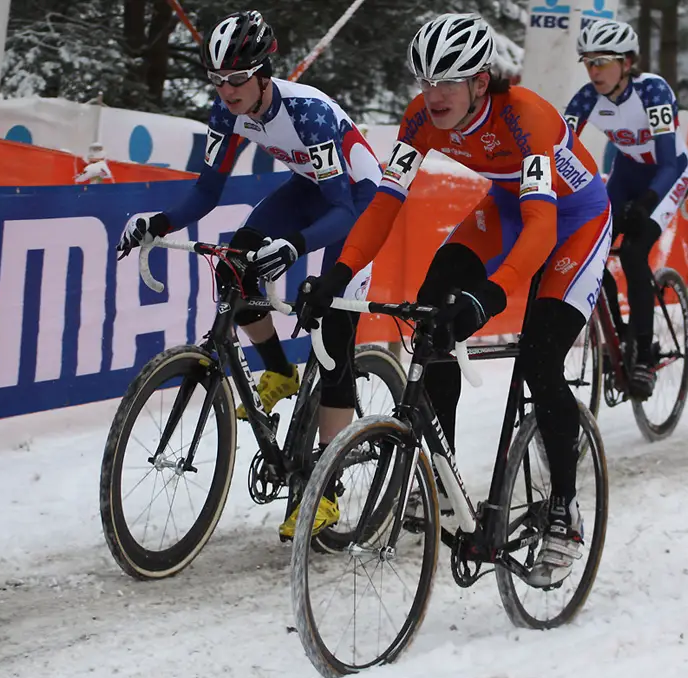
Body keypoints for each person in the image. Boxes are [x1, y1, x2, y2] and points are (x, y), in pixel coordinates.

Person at [296, 13, 613, 587]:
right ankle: (440, 483)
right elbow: (386, 204)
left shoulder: (527, 121)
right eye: (425, 80)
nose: (433, 95)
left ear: (481, 82)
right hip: (510, 210)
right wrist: (340, 273)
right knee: (431, 313)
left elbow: (544, 225)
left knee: (540, 361)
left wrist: (489, 297)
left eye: (448, 82)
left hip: (573, 222)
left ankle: (564, 511)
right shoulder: (421, 118)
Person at [115, 10, 382, 536]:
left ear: (264, 71)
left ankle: (325, 489)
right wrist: (159, 222)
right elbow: (207, 193)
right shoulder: (227, 110)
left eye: (236, 79)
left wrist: (295, 246)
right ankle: (279, 370)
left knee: (332, 335)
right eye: (215, 79)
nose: (226, 90)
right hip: (311, 190)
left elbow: (346, 210)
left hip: (359, 201)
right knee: (234, 270)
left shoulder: (306, 113)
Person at [564, 19, 688, 400]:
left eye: (603, 61)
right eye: (588, 62)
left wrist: (647, 203)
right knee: (592, 252)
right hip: (626, 175)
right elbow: (559, 150)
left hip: (668, 176)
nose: (594, 70)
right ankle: (620, 336)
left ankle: (644, 354)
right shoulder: (587, 98)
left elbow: (669, 161)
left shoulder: (653, 91)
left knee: (635, 251)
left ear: (628, 62)